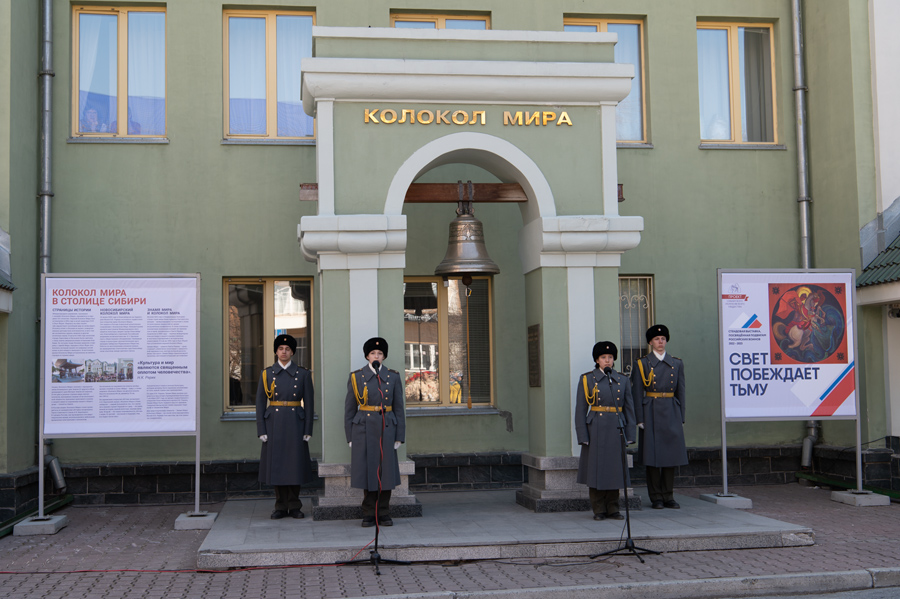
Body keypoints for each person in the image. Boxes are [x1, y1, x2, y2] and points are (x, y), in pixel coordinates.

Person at [345, 337, 406, 528]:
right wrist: (350, 436)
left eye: (380, 353)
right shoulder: (356, 377)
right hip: (363, 429)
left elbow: (398, 408)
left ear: (384, 356)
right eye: (373, 353)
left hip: (387, 427)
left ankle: (384, 512)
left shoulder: (393, 377)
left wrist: (399, 436)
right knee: (368, 471)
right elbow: (349, 409)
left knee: (385, 472)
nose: (376, 356)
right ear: (367, 356)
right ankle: (369, 512)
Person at [256, 334, 315, 519]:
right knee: (278, 465)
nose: (284, 352)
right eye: (281, 348)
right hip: (273, 423)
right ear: (276, 351)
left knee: (294, 465)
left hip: (295, 423)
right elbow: (260, 403)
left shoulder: (303, 374)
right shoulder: (266, 374)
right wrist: (261, 430)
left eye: (287, 349)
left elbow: (310, 403)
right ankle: (280, 506)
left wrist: (308, 430)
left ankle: (295, 506)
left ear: (292, 352)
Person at [575, 340, 636, 521]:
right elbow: (580, 409)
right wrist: (582, 435)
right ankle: (599, 509)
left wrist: (630, 433)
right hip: (596, 428)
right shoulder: (587, 379)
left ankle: (613, 508)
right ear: (597, 360)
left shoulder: (622, 379)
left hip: (617, 427)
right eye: (603, 357)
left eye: (610, 357)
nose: (607, 361)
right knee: (596, 470)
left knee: (614, 469)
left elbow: (629, 408)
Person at [631, 324, 687, 509]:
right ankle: (656, 497)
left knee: (670, 456)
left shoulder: (677, 363)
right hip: (651, 411)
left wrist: (682, 417)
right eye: (656, 339)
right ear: (650, 342)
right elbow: (637, 393)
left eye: (663, 338)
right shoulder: (642, 363)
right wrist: (639, 418)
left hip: (671, 410)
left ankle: (669, 495)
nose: (660, 342)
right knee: (653, 456)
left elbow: (681, 392)